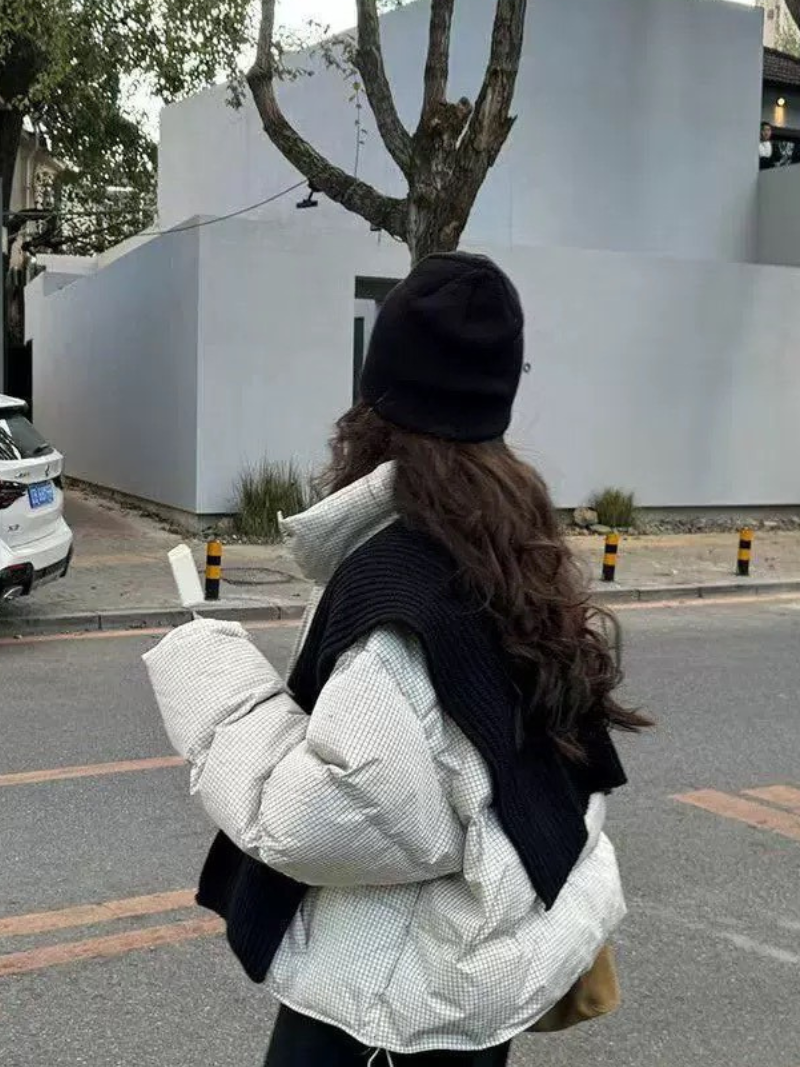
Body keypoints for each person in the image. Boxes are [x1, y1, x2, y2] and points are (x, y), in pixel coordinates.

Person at [144, 253, 649, 1066]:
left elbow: (332, 815)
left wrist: (212, 678)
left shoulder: (399, 585)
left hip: (388, 1008)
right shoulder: (512, 547)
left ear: (374, 405)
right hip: (478, 975)